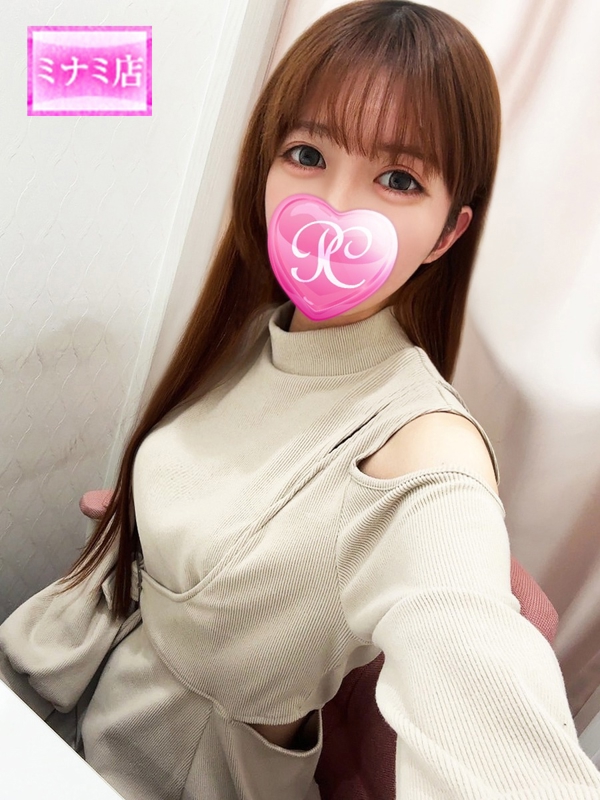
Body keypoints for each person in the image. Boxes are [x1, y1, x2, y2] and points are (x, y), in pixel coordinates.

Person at [1, 1, 600, 798]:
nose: (336, 207)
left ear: (447, 234)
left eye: (398, 178)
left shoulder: (424, 451)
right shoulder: (255, 335)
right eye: (307, 153)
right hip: (61, 704)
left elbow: (480, 683)